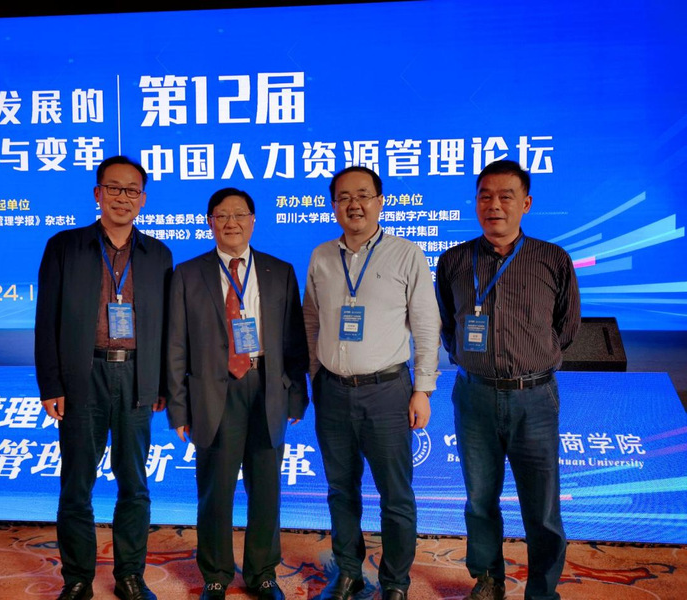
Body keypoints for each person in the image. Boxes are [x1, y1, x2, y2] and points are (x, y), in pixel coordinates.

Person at [435, 159, 580, 600]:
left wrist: (531, 361)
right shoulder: (454, 260)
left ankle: (542, 591)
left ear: (526, 203)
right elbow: (448, 325)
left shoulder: (552, 259)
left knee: (543, 506)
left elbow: (567, 326)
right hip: (474, 397)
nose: (493, 205)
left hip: (533, 398)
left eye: (505, 196)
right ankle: (488, 579)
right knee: (480, 499)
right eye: (485, 196)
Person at [35, 155, 172, 600]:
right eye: (113, 188)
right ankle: (77, 579)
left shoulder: (158, 255)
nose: (122, 197)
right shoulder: (64, 246)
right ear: (98, 193)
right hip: (82, 375)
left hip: (136, 377)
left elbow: (166, 327)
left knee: (135, 484)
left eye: (132, 190)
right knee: (77, 484)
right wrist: (51, 385)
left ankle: (130, 575)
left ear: (143, 199)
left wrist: (161, 384)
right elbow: (46, 320)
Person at [303, 166, 441, 600]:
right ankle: (349, 572)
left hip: (387, 392)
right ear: (333, 205)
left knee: (395, 495)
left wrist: (423, 389)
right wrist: (315, 373)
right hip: (333, 391)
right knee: (340, 490)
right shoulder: (321, 256)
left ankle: (395, 582)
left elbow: (426, 325)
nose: (354, 204)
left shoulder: (406, 254)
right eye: (344, 197)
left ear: (380, 202)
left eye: (363, 195)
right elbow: (311, 319)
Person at [166, 188, 309, 600]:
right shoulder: (188, 274)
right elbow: (175, 346)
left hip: (267, 388)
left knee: (266, 489)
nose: (232, 222)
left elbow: (294, 339)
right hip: (214, 392)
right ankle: (215, 574)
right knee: (216, 490)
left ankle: (263, 572)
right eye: (222, 215)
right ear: (209, 222)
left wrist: (296, 394)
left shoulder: (279, 271)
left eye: (240, 214)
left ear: (253, 220)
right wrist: (179, 408)